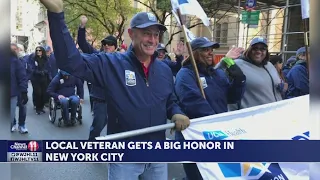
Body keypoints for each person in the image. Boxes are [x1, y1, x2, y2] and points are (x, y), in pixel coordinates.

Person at [40, 1, 190, 179]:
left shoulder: (164, 70)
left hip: (157, 155)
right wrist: (57, 15)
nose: (152, 40)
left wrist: (176, 112)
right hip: (124, 157)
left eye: (156, 35)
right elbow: (70, 62)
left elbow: (169, 100)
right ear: (131, 34)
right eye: (146, 33)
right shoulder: (111, 64)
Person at [174, 37, 246, 180]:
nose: (210, 53)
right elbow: (194, 104)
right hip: (194, 138)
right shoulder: (185, 74)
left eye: (211, 50)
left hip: (216, 135)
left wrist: (239, 81)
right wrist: (217, 126)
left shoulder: (217, 74)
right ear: (194, 53)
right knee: (197, 176)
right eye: (205, 50)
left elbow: (231, 98)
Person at [77, 15, 115, 140]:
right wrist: (82, 27)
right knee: (98, 126)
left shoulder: (122, 59)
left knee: (116, 129)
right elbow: (82, 43)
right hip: (101, 100)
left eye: (110, 44)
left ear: (115, 46)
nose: (107, 46)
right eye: (104, 44)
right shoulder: (97, 56)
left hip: (116, 100)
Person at [228, 37, 283, 111]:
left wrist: (281, 85)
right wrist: (226, 59)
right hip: (252, 116)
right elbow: (216, 75)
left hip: (274, 112)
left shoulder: (269, 65)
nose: (258, 51)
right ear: (249, 50)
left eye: (262, 49)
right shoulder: (238, 64)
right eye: (255, 48)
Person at [27, 46, 52, 114]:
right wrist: (38, 72)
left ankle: (41, 107)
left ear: (42, 51)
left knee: (44, 93)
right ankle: (38, 108)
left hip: (44, 78)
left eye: (39, 50)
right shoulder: (33, 58)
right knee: (38, 93)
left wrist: (45, 72)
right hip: (35, 78)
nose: (38, 51)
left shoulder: (46, 59)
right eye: (37, 50)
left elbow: (49, 67)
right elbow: (31, 68)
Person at [11, 43, 29, 133]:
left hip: (20, 89)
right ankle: (12, 123)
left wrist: (24, 91)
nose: (14, 51)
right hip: (12, 90)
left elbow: (23, 77)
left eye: (15, 49)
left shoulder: (20, 61)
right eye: (12, 49)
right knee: (11, 108)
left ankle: (22, 125)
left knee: (22, 107)